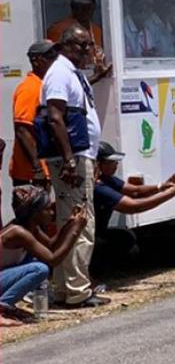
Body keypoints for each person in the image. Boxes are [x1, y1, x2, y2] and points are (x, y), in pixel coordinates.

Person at [42, 23, 108, 307]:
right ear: (66, 45)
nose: (87, 51)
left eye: (88, 46)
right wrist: (69, 159)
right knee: (81, 223)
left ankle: (63, 289)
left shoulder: (73, 73)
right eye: (82, 46)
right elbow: (55, 117)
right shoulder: (59, 73)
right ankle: (78, 291)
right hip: (72, 159)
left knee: (71, 221)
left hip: (82, 156)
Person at [91, 143, 175, 266]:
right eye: (111, 161)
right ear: (98, 164)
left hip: (98, 233)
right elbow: (134, 206)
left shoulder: (107, 180)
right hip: (90, 237)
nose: (116, 165)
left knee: (126, 238)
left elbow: (135, 191)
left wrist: (163, 186)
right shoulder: (98, 188)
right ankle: (93, 274)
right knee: (111, 243)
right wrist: (172, 192)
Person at [1, 186, 88, 323]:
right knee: (40, 268)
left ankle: (7, 306)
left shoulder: (30, 228)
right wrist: (76, 230)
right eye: (47, 209)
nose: (52, 212)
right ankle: (3, 307)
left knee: (35, 260)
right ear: (35, 212)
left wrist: (70, 224)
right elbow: (52, 260)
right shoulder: (18, 232)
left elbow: (50, 246)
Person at [10, 41, 55, 193]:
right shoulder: (30, 88)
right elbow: (22, 129)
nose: (55, 60)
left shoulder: (44, 84)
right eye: (50, 56)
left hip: (42, 171)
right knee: (33, 216)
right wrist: (37, 168)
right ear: (36, 60)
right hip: (30, 174)